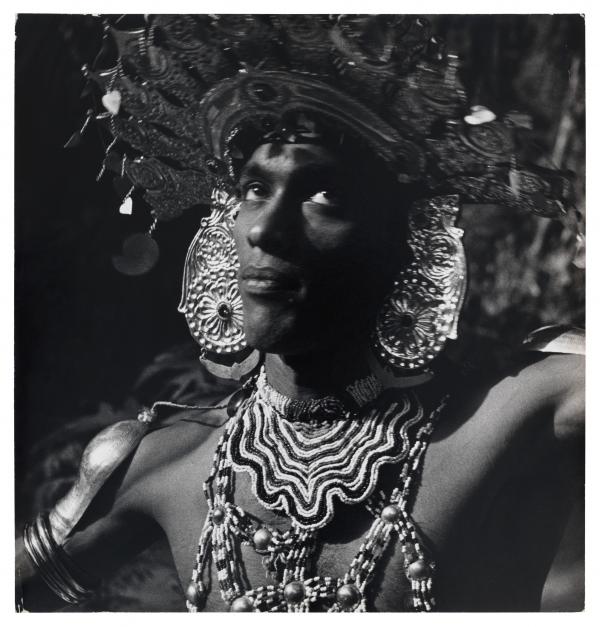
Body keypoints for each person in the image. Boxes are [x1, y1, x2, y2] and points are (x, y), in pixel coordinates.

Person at [15, 15, 584, 612]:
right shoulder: (159, 461)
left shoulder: (521, 412)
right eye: (255, 189)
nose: (266, 229)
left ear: (406, 241)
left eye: (326, 195)